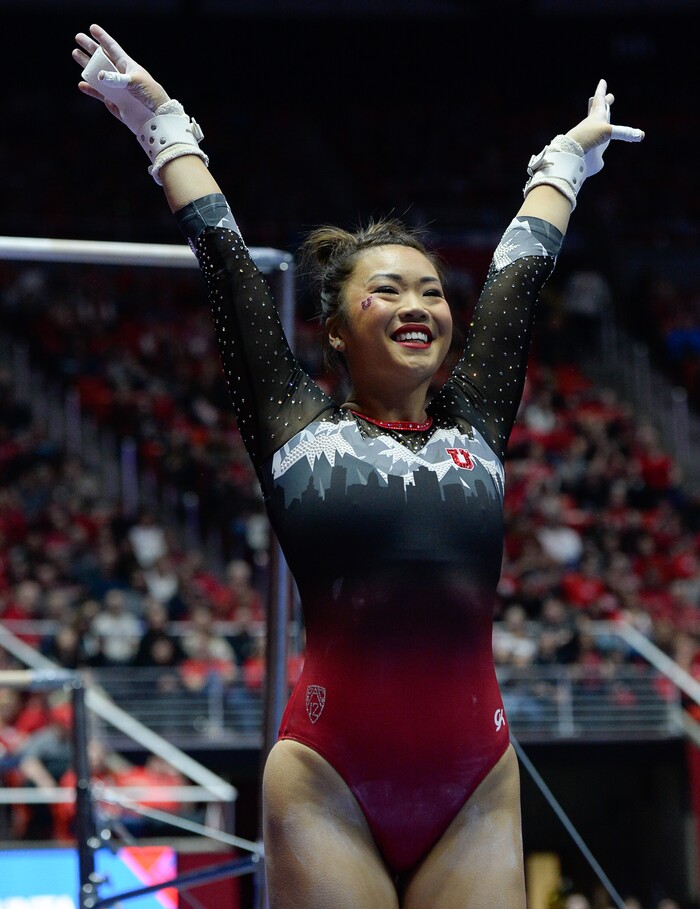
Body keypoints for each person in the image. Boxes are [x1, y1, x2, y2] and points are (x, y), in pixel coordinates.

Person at [72, 24, 643, 909]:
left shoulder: (478, 424)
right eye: (388, 290)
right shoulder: (294, 424)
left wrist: (562, 165)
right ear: (335, 328)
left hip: (475, 782)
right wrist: (162, 124)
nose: (418, 304)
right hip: (328, 780)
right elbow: (226, 268)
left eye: (429, 291)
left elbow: (518, 282)